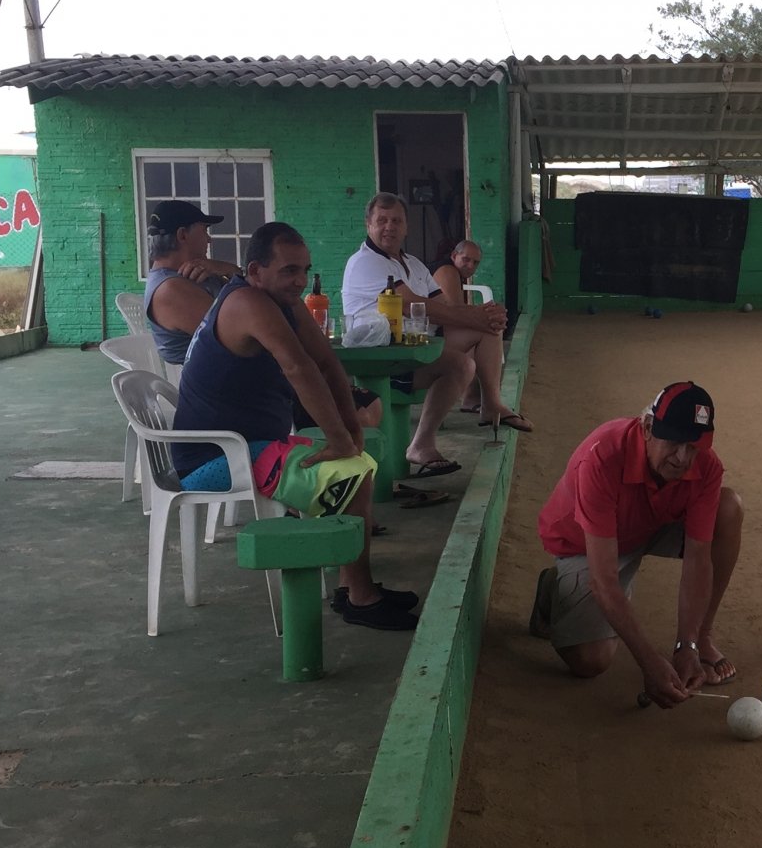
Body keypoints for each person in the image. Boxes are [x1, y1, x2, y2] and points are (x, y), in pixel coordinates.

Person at [172, 221, 419, 630]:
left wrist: (351, 433)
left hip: (255, 444)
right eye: (289, 270)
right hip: (215, 456)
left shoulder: (281, 301)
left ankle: (354, 586)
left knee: (359, 465)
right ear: (254, 272)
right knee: (348, 476)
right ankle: (359, 596)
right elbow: (299, 367)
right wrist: (339, 438)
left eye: (304, 269)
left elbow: (325, 361)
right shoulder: (248, 303)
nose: (300, 280)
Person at [529, 382, 745, 708]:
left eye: (694, 445)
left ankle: (703, 635)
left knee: (729, 509)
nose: (683, 457)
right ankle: (552, 590)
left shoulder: (705, 466)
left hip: (650, 524)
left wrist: (686, 645)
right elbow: (603, 581)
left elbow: (698, 560)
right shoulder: (603, 457)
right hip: (585, 544)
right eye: (673, 441)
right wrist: (648, 660)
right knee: (590, 662)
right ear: (647, 428)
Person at [341, 194, 514, 477]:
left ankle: (490, 405)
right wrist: (476, 314)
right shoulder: (366, 261)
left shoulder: (413, 263)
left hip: (415, 350)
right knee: (462, 363)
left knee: (488, 328)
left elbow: (444, 307)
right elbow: (411, 305)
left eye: (396, 220)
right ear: (368, 225)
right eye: (381, 221)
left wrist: (485, 316)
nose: (389, 227)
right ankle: (421, 445)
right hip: (383, 360)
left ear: (406, 226)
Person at [429, 239, 530, 431]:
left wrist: (484, 315)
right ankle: (484, 402)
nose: (470, 266)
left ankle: (474, 399)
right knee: (486, 331)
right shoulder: (447, 271)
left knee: (484, 333)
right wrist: (488, 316)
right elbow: (455, 315)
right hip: (426, 338)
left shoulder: (454, 273)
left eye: (475, 263)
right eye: (466, 260)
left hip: (434, 334)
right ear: (453, 256)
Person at [142, 200, 240, 366]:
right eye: (204, 230)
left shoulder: (195, 273)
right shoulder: (171, 289)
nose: (209, 240)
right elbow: (240, 335)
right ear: (182, 235)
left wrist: (231, 270)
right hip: (219, 382)